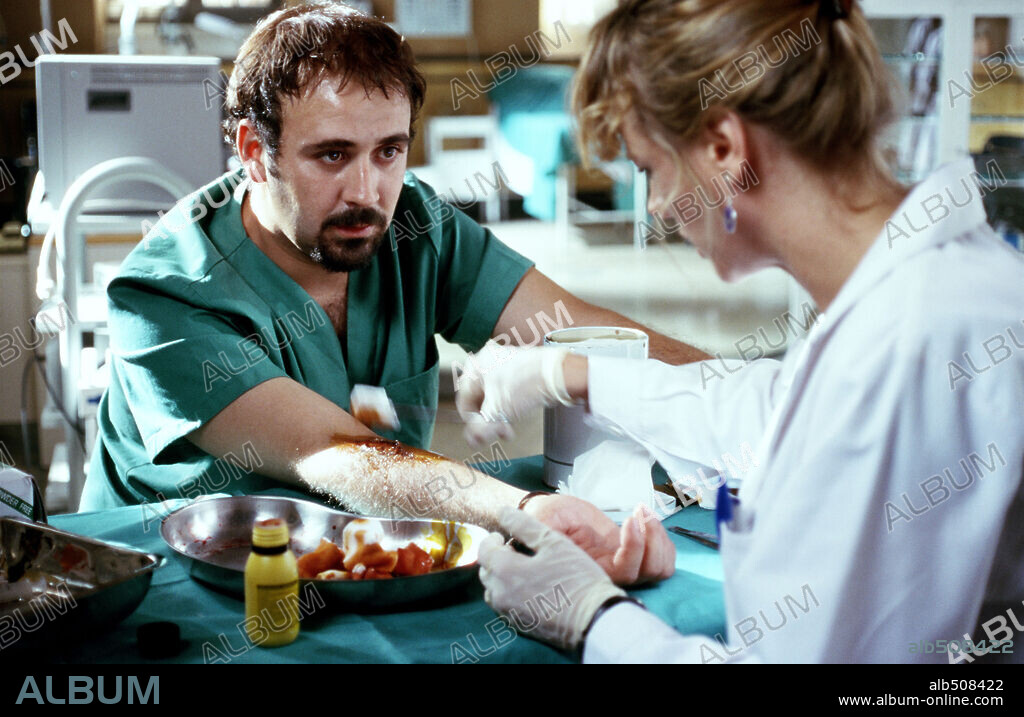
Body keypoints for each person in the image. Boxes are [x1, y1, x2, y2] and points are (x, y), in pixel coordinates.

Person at [467, 0, 1024, 662]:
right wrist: (564, 372)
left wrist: (593, 617)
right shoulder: (914, 289)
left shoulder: (912, 339)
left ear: (725, 148)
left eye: (649, 169)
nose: (658, 207)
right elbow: (775, 409)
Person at [78, 3, 701, 585]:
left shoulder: (414, 226)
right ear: (253, 153)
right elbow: (335, 453)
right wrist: (527, 511)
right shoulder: (163, 297)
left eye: (389, 152)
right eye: (332, 156)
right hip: (182, 586)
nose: (366, 191)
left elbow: (584, 331)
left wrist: (749, 399)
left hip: (364, 564)